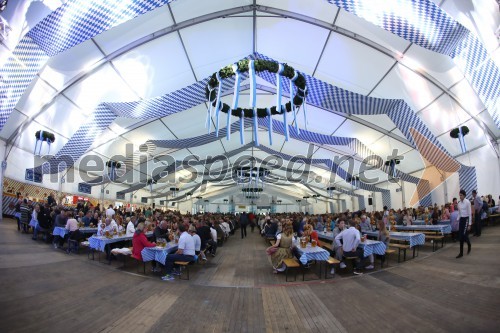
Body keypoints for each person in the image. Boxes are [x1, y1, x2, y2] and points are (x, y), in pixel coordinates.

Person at [456, 189, 472, 258]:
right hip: (461, 220)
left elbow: (470, 213)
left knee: (464, 235)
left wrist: (469, 224)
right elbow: (459, 213)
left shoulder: (467, 202)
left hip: (466, 220)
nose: (460, 197)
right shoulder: (459, 203)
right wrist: (457, 220)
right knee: (460, 237)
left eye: (461, 195)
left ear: (464, 195)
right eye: (459, 195)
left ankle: (469, 244)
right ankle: (461, 253)